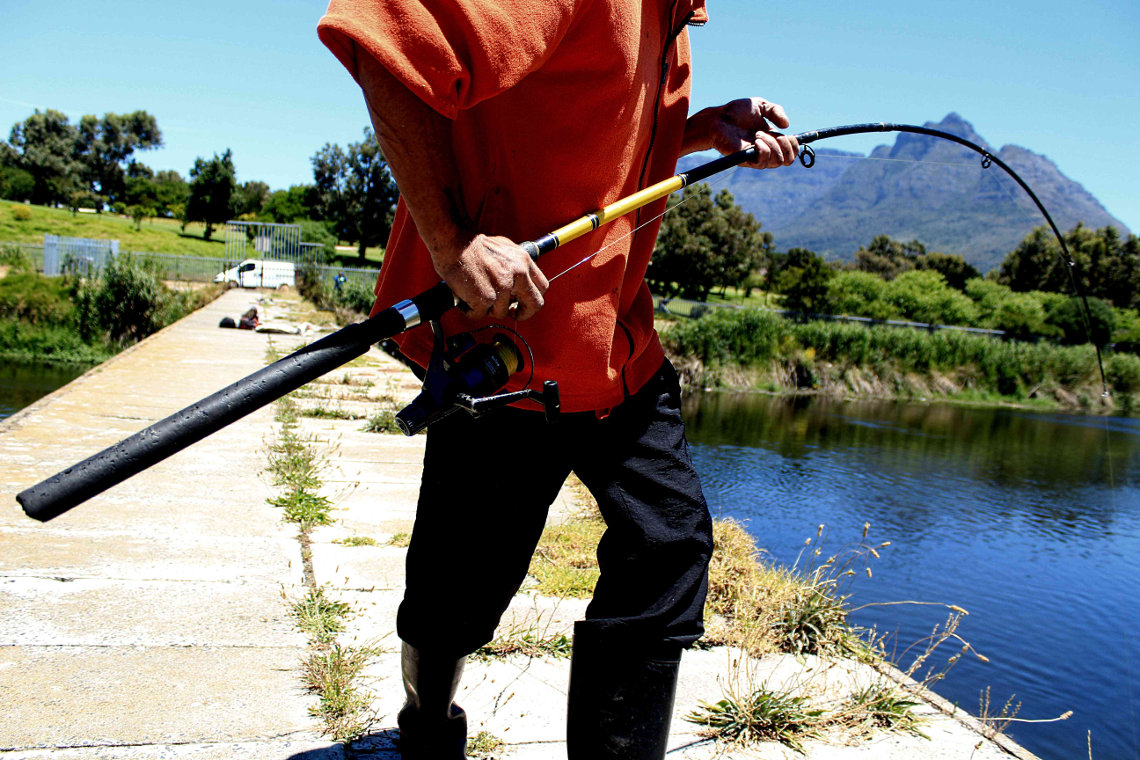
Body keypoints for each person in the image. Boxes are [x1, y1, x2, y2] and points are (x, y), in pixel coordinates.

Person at [317, 2, 799, 757]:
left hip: (619, 354)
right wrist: (451, 243)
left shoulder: (670, 21)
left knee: (668, 544)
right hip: (502, 358)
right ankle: (427, 728)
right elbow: (387, 35)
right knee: (454, 596)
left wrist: (707, 130)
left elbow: (600, 139)